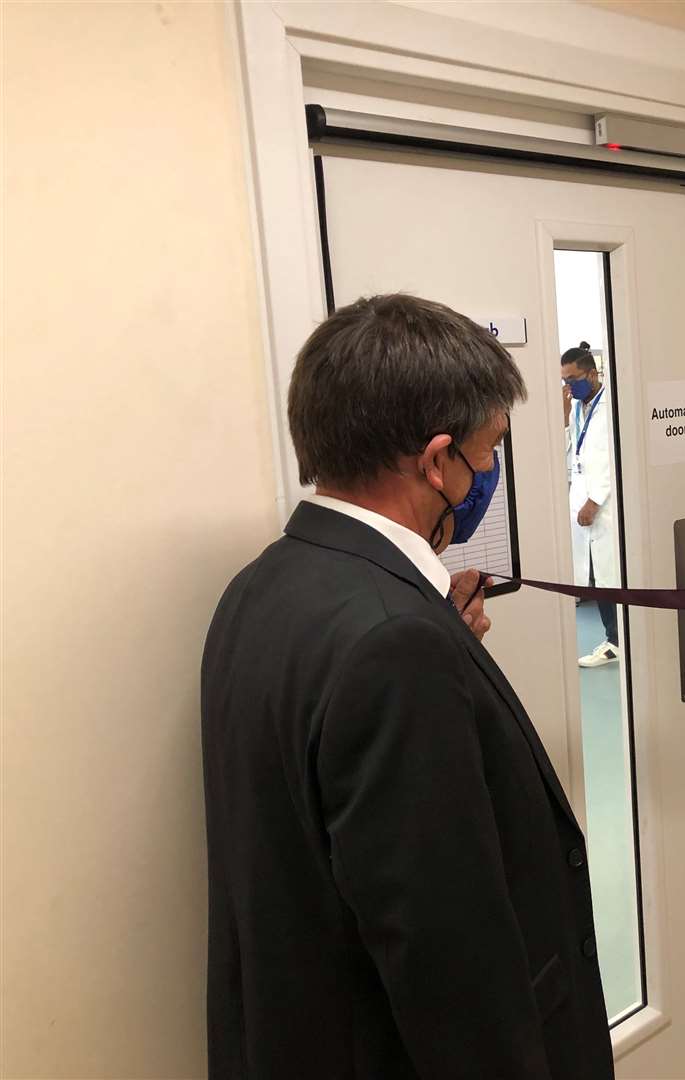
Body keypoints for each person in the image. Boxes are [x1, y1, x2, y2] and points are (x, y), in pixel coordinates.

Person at [201, 295, 614, 1079]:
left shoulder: (263, 586)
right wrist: (427, 655)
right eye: (488, 449)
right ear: (436, 461)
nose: (489, 472)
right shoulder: (395, 645)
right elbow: (446, 957)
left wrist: (440, 650)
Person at [562, 342, 622, 668]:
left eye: (573, 379)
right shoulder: (577, 407)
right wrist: (562, 418)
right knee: (598, 576)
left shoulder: (613, 405)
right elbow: (571, 451)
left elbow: (617, 456)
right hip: (583, 502)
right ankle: (613, 638)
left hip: (604, 505)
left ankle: (617, 639)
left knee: (611, 575)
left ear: (592, 373)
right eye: (565, 381)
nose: (569, 386)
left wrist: (596, 500)